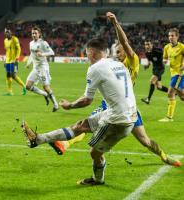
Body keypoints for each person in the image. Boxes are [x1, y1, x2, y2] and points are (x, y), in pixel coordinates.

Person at [49, 12, 181, 167]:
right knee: (85, 125)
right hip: (112, 105)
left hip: (128, 107)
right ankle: (65, 144)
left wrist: (115, 23)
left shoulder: (132, 61)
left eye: (119, 52)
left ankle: (164, 156)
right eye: (114, 52)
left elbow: (124, 42)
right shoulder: (113, 64)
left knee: (144, 140)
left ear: (125, 50)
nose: (116, 55)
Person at [22, 38, 137, 185]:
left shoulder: (95, 68)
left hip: (117, 120)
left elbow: (86, 101)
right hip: (124, 113)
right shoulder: (118, 64)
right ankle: (38, 139)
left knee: (94, 153)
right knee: (80, 126)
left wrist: (69, 106)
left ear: (92, 53)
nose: (87, 57)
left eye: (87, 54)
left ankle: (98, 180)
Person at [25, 26, 59, 112]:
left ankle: (56, 104)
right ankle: (44, 94)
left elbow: (52, 52)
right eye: (32, 33)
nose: (33, 35)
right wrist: (28, 63)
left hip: (43, 68)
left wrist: (42, 54)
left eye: (35, 33)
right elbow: (32, 55)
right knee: (28, 86)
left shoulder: (43, 43)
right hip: (35, 68)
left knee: (46, 87)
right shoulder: (31, 43)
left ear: (39, 34)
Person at [158, 28, 184, 122]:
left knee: (170, 93)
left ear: (177, 36)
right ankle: (169, 117)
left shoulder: (182, 47)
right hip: (173, 74)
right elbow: (164, 58)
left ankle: (169, 117)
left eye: (172, 36)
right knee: (181, 96)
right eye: (169, 36)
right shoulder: (166, 47)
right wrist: (164, 61)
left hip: (180, 73)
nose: (170, 37)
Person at [141, 40, 168, 104]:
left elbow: (166, 53)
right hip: (155, 69)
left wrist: (166, 59)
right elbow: (150, 61)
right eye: (146, 45)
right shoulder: (147, 53)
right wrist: (147, 66)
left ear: (152, 45)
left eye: (148, 44)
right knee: (159, 87)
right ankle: (173, 92)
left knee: (152, 81)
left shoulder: (157, 50)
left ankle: (148, 99)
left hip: (160, 68)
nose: (147, 46)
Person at [3, 28, 27, 96]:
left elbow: (19, 49)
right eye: (6, 33)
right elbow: (7, 51)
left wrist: (17, 57)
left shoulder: (15, 39)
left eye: (8, 32)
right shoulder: (5, 40)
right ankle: (10, 91)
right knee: (8, 75)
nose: (7, 34)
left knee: (13, 75)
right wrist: (5, 60)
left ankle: (24, 86)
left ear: (11, 33)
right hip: (8, 60)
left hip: (14, 60)